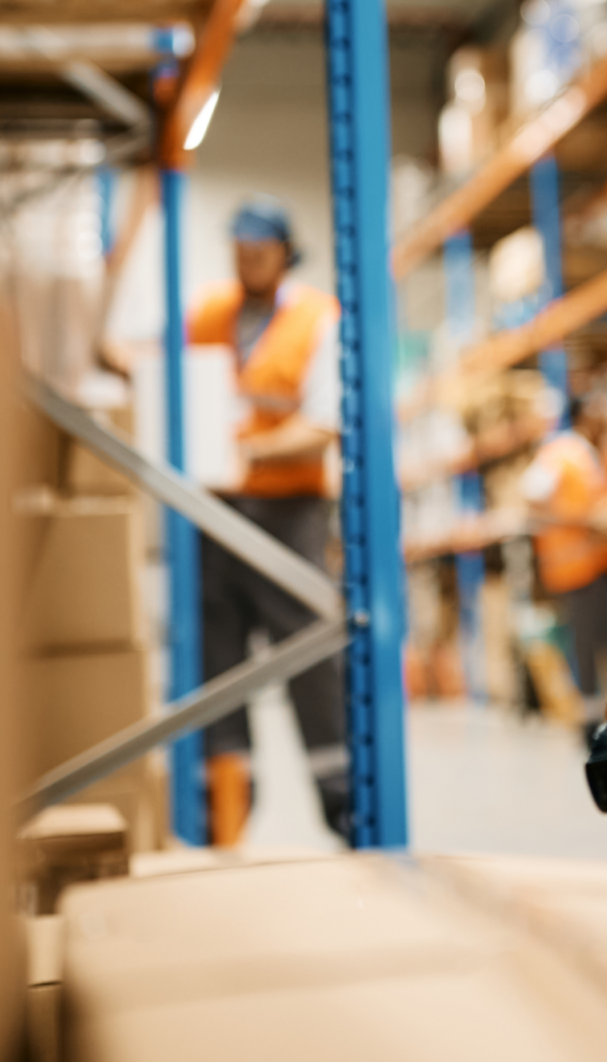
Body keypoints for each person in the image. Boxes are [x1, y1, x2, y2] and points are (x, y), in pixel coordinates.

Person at [188, 196, 349, 845]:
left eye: (260, 246)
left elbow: (323, 424)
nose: (247, 256)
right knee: (216, 660)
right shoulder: (203, 312)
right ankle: (221, 811)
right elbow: (143, 367)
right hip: (214, 512)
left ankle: (343, 804)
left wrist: (240, 449)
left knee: (309, 656)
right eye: (239, 245)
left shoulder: (316, 318)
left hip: (289, 514)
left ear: (285, 250)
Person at [521, 400, 607, 712]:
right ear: (585, 415)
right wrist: (574, 521)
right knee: (586, 644)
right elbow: (532, 496)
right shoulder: (562, 453)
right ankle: (590, 717)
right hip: (577, 567)